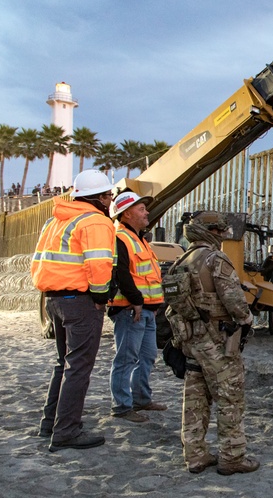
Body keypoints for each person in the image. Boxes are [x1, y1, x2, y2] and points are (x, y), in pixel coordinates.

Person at [31, 169, 117, 451]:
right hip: (80, 301)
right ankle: (66, 430)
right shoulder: (96, 222)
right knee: (78, 366)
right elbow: (99, 264)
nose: (110, 200)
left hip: (53, 298)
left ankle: (50, 424)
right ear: (101, 197)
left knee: (63, 363)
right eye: (109, 195)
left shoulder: (55, 221)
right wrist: (100, 297)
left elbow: (38, 261)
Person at [168, 211, 258, 475]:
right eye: (221, 231)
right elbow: (234, 301)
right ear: (214, 232)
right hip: (217, 341)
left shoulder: (182, 260)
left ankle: (195, 455)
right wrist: (246, 321)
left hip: (191, 339)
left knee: (195, 397)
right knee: (230, 397)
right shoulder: (215, 259)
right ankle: (232, 457)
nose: (223, 236)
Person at [107, 191, 166, 423]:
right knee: (126, 358)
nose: (147, 212)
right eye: (141, 209)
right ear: (127, 213)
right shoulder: (120, 237)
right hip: (131, 310)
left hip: (147, 310)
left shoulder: (140, 239)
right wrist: (136, 301)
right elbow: (121, 273)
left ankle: (141, 398)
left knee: (148, 356)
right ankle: (122, 406)